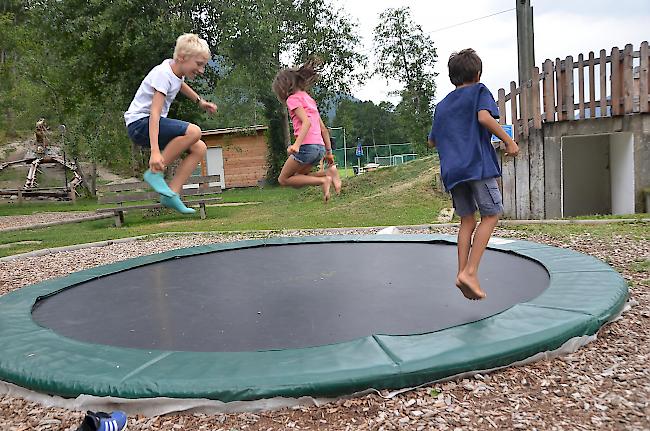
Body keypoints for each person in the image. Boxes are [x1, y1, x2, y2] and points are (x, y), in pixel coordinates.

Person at [428, 48, 519, 300]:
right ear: (477, 74)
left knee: (467, 220)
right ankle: (471, 272)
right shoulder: (479, 91)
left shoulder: (442, 105)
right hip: (476, 165)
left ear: (452, 77)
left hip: (453, 171)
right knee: (491, 214)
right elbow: (483, 117)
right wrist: (508, 141)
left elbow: (432, 141)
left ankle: (462, 273)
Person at [124, 33, 217, 214]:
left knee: (199, 147)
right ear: (182, 58)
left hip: (150, 124)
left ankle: (171, 194)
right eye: (199, 64)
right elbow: (155, 112)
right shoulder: (162, 75)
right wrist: (155, 152)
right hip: (140, 123)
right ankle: (155, 172)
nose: (201, 70)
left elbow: (180, 85)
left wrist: (200, 101)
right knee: (194, 132)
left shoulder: (174, 70)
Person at [271, 60, 342, 202]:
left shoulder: (293, 99)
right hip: (319, 148)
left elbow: (306, 123)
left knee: (284, 179)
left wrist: (296, 145)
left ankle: (323, 181)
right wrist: (329, 154)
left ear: (284, 87)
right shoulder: (309, 99)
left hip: (306, 147)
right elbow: (323, 129)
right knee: (299, 179)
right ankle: (327, 174)